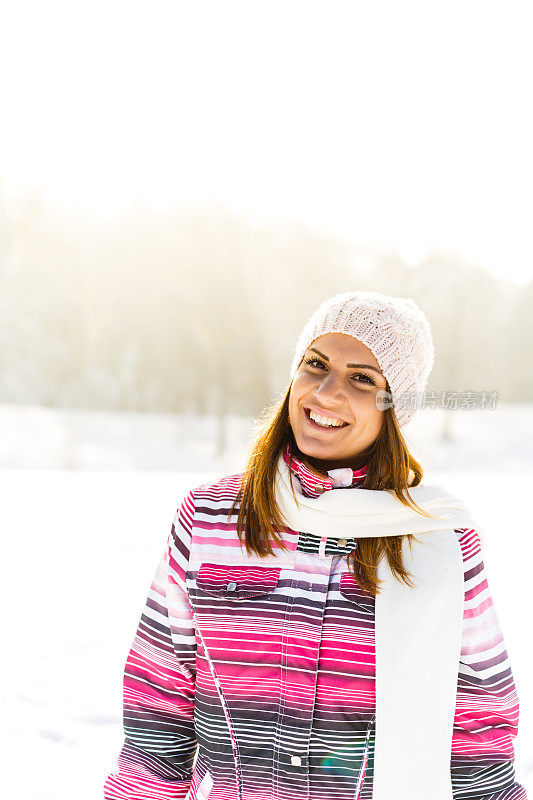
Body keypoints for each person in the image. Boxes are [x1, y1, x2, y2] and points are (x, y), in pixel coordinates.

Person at [103, 291, 527, 800]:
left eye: (363, 379)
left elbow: (479, 732)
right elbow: (158, 704)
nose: (326, 392)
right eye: (315, 364)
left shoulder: (439, 540)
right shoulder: (211, 519)